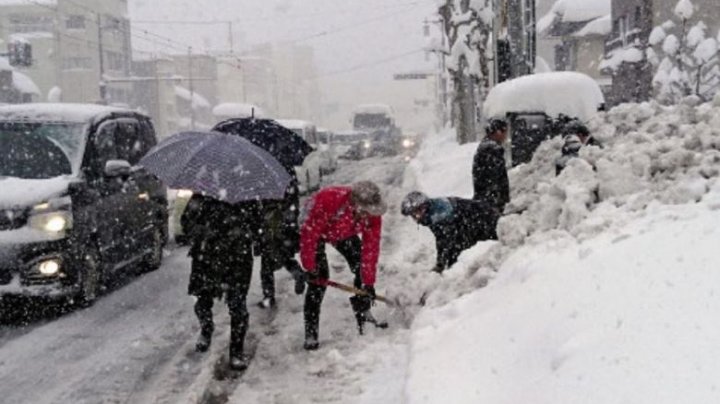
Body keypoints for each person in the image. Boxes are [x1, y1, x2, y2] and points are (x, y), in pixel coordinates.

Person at [299, 181, 387, 350]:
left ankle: (364, 316)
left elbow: (371, 248)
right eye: (365, 212)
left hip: (343, 232)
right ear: (356, 205)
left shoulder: (372, 214)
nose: (369, 216)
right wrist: (310, 267)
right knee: (319, 280)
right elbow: (309, 234)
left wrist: (368, 283)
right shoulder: (329, 200)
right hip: (315, 230)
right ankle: (311, 333)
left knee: (361, 267)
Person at [181, 194, 263, 371]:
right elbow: (186, 222)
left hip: (237, 259)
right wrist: (203, 231)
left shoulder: (247, 198)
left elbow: (258, 227)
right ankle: (206, 328)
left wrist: (245, 233)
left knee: (238, 306)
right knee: (202, 300)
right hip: (207, 257)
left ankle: (236, 352)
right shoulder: (202, 196)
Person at [401, 191, 497, 273]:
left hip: (484, 219)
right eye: (413, 215)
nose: (416, 217)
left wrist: (447, 264)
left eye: (417, 212)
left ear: (424, 206)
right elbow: (441, 238)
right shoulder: (430, 215)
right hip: (475, 220)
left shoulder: (441, 213)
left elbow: (452, 239)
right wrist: (441, 263)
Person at [257, 179, 306, 309]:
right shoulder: (286, 179)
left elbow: (263, 207)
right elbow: (294, 204)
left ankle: (269, 296)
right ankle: (297, 272)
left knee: (266, 266)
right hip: (287, 228)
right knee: (285, 257)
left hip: (273, 227)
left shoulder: (265, 181)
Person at [472, 118, 510, 215]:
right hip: (490, 201)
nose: (505, 136)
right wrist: (498, 200)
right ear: (498, 132)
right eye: (504, 132)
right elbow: (496, 177)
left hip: (483, 199)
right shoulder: (492, 149)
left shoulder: (484, 147)